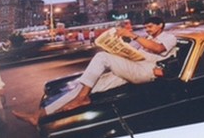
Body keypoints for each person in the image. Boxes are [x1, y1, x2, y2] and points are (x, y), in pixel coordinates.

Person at [12, 16, 176, 126]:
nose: (147, 29)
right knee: (84, 86)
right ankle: (40, 115)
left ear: (160, 25)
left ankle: (82, 99)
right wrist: (116, 44)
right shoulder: (144, 39)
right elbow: (130, 52)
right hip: (130, 69)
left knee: (101, 57)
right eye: (146, 27)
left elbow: (158, 48)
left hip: (146, 71)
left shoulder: (169, 37)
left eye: (150, 26)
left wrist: (132, 36)